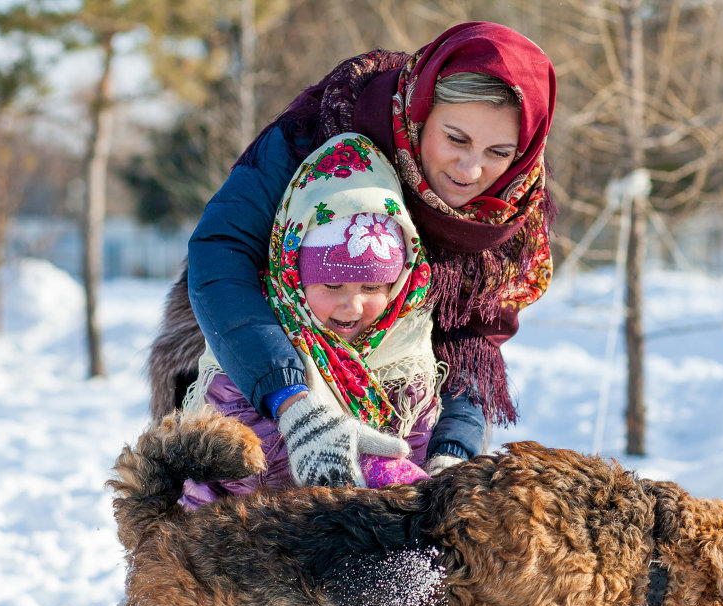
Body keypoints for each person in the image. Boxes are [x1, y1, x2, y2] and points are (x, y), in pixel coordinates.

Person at [149, 21, 557, 487]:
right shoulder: (326, 125)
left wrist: (452, 452)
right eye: (456, 139)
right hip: (248, 353)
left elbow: (474, 339)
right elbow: (224, 249)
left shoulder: (512, 212)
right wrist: (292, 402)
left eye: (499, 152)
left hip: (403, 400)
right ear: (422, 114)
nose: (471, 170)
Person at [180, 134, 439, 505]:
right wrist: (379, 471)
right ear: (293, 275)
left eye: (372, 286)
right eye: (332, 284)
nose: (352, 305)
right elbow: (249, 468)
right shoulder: (259, 353)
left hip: (356, 540)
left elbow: (416, 442)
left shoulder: (405, 347)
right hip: (237, 541)